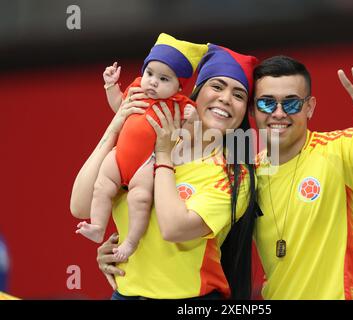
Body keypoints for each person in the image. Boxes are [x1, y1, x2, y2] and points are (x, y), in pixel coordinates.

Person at [71, 43, 259, 299]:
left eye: (238, 95)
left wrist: (163, 154)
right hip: (126, 294)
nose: (225, 98)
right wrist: (115, 127)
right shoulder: (142, 143)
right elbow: (81, 207)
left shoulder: (234, 175)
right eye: (216, 86)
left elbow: (173, 229)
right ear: (196, 91)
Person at [252, 56, 353, 299]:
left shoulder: (339, 151)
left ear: (310, 107)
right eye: (266, 103)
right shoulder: (248, 176)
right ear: (253, 109)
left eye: (292, 103)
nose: (279, 113)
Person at [75, 33, 208, 262]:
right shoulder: (136, 89)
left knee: (140, 199)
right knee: (101, 186)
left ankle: (131, 241)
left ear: (179, 87)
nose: (153, 81)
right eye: (149, 73)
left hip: (147, 162)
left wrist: (192, 119)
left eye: (164, 79)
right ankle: (97, 226)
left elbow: (186, 137)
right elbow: (119, 108)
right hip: (119, 156)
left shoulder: (180, 105)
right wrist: (110, 86)